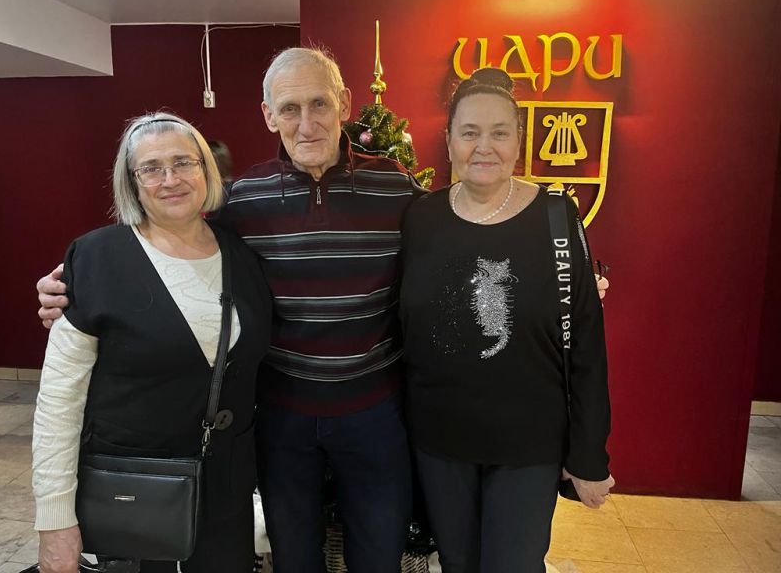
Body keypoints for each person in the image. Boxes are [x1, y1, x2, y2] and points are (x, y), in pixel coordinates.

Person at [36, 49, 611, 573]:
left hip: (376, 414)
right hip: (282, 418)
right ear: (268, 115)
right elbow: (179, 254)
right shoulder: (242, 201)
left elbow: (460, 241)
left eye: (319, 104)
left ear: (345, 105)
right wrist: (76, 286)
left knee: (379, 557)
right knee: (295, 559)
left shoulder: (396, 189)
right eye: (289, 108)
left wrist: (558, 283)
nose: (306, 123)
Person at [32, 113, 272, 573]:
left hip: (226, 492)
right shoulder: (97, 257)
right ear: (132, 182)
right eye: (151, 168)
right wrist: (55, 519)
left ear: (206, 169)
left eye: (183, 162)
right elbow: (59, 402)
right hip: (133, 493)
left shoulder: (242, 255)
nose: (170, 179)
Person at [398, 68, 614, 573]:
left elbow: (586, 343)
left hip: (529, 444)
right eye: (469, 132)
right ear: (449, 140)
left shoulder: (556, 217)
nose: (484, 147)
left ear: (519, 140)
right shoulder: (420, 218)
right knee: (455, 563)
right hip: (439, 441)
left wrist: (588, 454)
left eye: (499, 132)